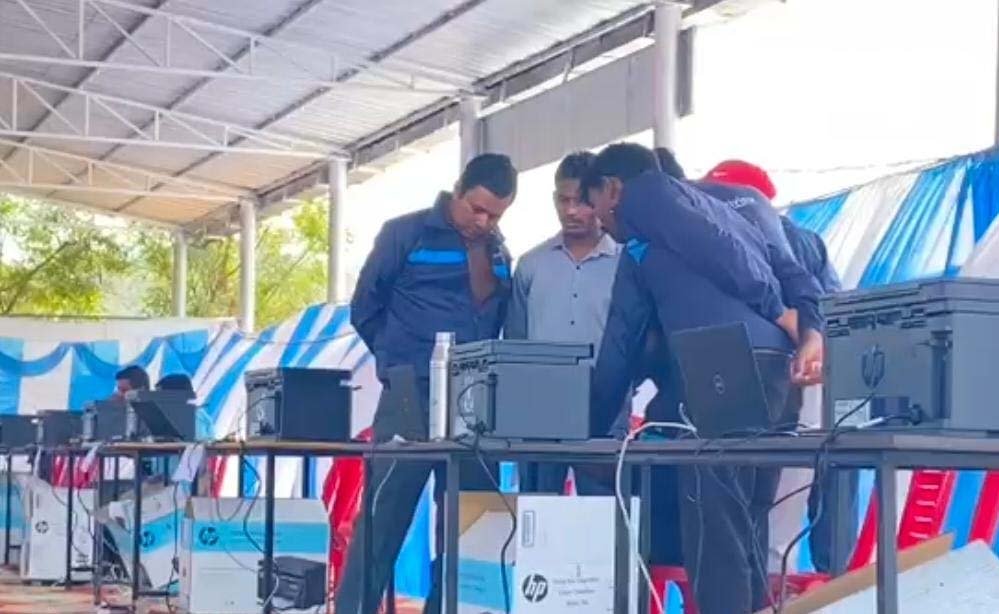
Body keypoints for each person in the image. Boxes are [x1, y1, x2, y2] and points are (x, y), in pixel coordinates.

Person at [586, 143, 823, 614]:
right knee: (750, 522)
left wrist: (588, 428)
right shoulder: (746, 205)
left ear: (612, 189)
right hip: (779, 370)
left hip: (724, 364)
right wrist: (811, 329)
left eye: (597, 210)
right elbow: (792, 268)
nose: (602, 225)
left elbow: (621, 343)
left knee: (715, 530)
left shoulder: (645, 201)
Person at [335, 153, 518, 614]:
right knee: (382, 520)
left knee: (471, 525)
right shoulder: (405, 233)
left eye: (495, 215)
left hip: (474, 403)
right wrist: (398, 363)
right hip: (409, 397)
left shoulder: (500, 253)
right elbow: (365, 307)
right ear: (457, 191)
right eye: (476, 209)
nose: (483, 221)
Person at [702, 158, 853, 574]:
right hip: (813, 377)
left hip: (771, 380)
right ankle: (829, 577)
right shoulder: (804, 241)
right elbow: (833, 304)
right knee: (819, 474)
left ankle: (769, 579)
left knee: (774, 488)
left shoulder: (728, 240)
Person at [505, 151, 620, 494]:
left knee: (602, 512)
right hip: (539, 409)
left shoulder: (625, 265)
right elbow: (515, 341)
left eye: (581, 202)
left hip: (605, 407)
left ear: (600, 199)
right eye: (563, 200)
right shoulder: (530, 265)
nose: (571, 211)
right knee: (537, 510)